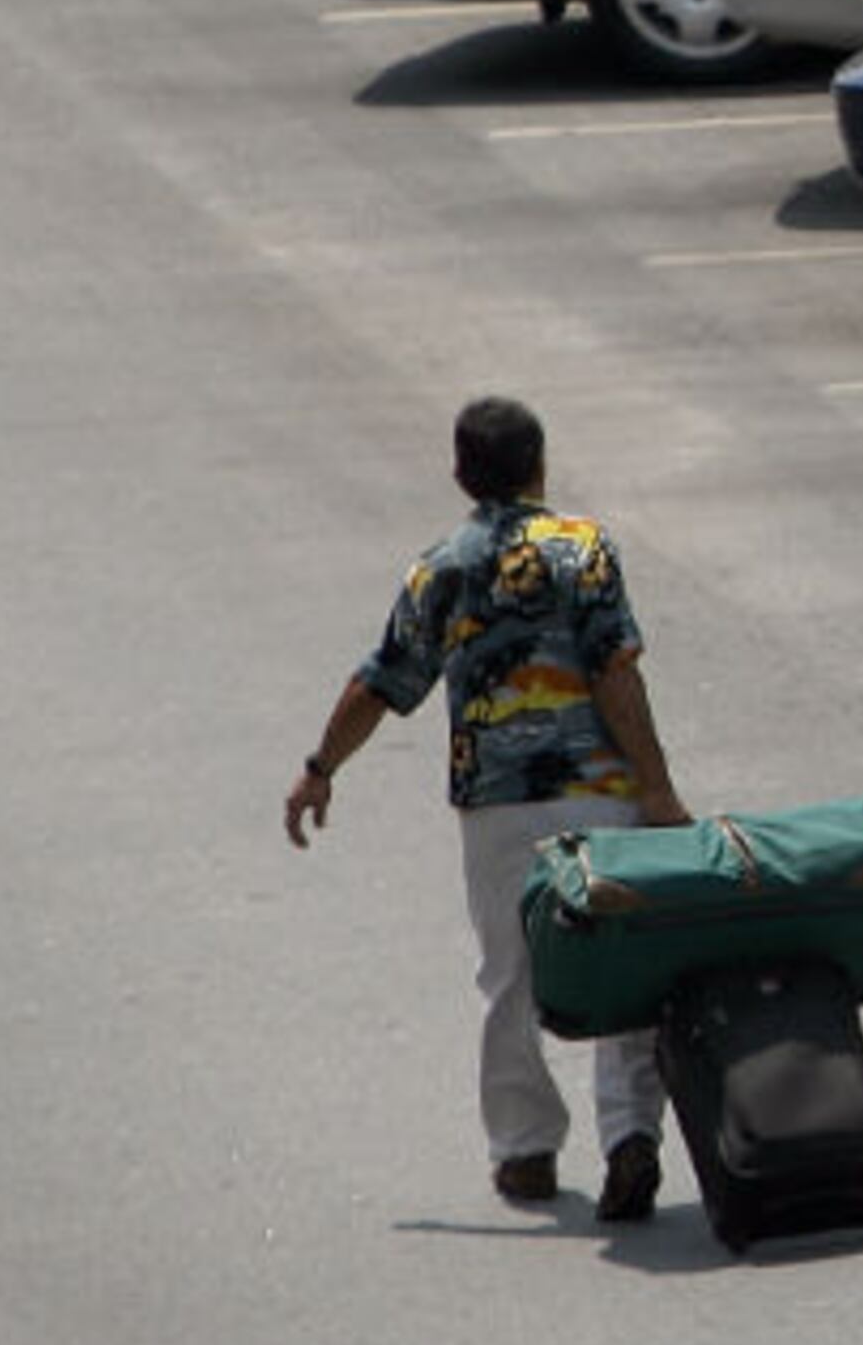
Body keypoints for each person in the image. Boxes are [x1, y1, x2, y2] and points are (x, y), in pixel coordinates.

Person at [286, 396, 690, 1222]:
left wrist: (320, 768)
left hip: (497, 806)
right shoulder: (583, 549)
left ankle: (526, 1152)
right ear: (540, 463)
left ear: (461, 475)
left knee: (511, 974)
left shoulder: (444, 566)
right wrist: (655, 784)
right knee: (623, 968)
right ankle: (630, 1139)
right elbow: (617, 671)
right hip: (598, 792)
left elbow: (381, 681)